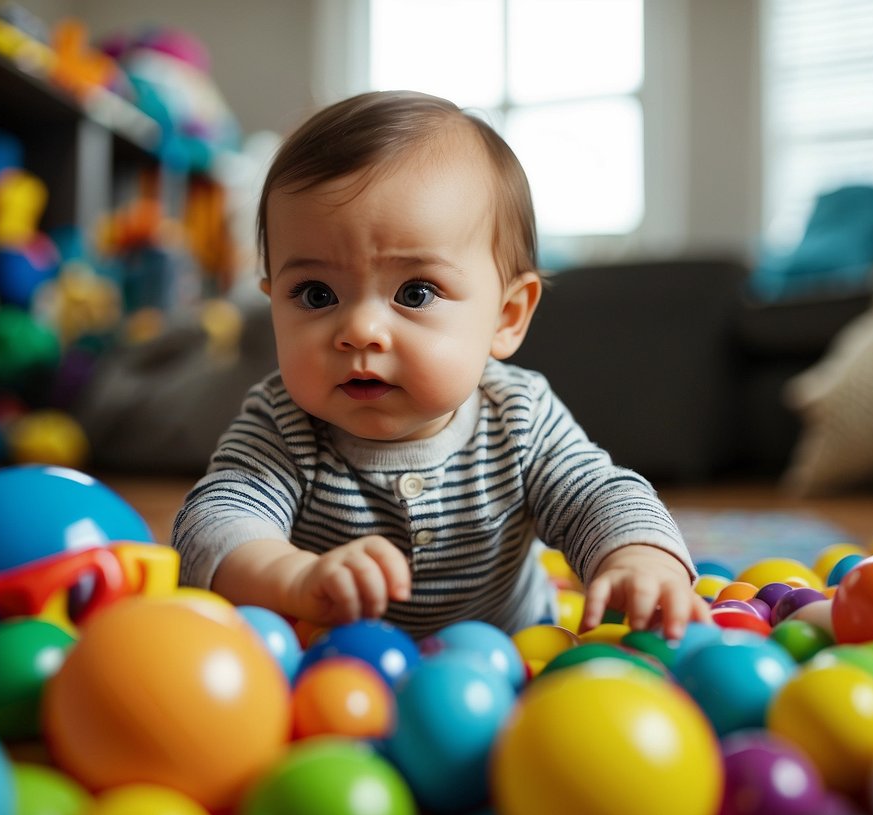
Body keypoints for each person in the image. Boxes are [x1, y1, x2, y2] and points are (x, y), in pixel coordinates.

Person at [172, 90, 709, 640]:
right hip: (336, 670)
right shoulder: (282, 423)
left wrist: (640, 559)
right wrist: (294, 577)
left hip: (517, 659)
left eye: (415, 291)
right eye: (315, 294)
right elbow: (213, 522)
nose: (360, 330)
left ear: (506, 316)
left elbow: (597, 494)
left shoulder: (519, 416)